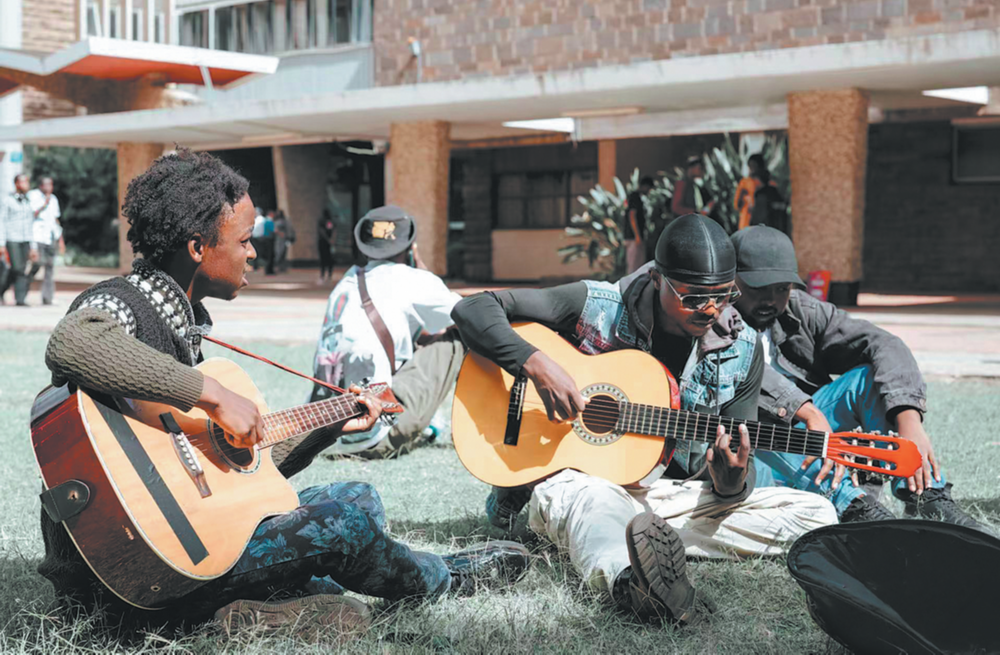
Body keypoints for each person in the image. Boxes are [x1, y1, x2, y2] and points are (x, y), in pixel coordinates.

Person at [37, 150, 529, 634]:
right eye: (245, 240)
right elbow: (73, 340)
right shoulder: (123, 301)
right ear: (197, 248)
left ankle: (250, 610)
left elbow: (245, 473)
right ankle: (445, 575)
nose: (254, 252)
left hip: (174, 554)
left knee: (357, 497)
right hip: (124, 580)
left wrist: (330, 423)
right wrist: (209, 393)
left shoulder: (181, 326)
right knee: (343, 526)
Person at [451, 214, 837, 625]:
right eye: (692, 297)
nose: (709, 309)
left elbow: (733, 469)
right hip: (583, 487)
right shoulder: (596, 305)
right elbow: (473, 307)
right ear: (657, 278)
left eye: (723, 295)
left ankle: (639, 541)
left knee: (815, 514)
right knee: (584, 496)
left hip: (667, 500)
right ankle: (632, 582)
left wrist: (731, 482)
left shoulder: (743, 350)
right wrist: (536, 364)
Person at [730, 226, 985, 529]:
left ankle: (923, 491)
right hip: (756, 451)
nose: (771, 300)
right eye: (759, 288)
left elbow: (884, 344)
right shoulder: (714, 318)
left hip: (815, 436)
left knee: (867, 378)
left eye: (781, 288)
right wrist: (807, 411)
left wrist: (909, 423)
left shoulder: (801, 310)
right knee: (758, 425)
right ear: (731, 281)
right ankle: (857, 507)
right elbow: (746, 371)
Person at [307, 205, 466, 459]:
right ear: (410, 246)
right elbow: (466, 314)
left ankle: (429, 419)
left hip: (325, 435)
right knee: (460, 337)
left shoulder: (346, 282)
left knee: (419, 340)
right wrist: (422, 268)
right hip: (373, 436)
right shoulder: (412, 279)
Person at [0, 173, 39, 306]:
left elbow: (30, 224)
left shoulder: (28, 201)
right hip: (12, 238)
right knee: (16, 268)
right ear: (17, 184)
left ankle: (20, 299)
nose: (27, 185)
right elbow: (2, 221)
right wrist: (1, 243)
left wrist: (33, 246)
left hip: (26, 239)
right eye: (24, 182)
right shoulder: (7, 200)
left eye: (27, 182)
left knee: (23, 269)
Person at [27, 176, 64, 306]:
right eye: (47, 185)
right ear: (41, 186)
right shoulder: (32, 195)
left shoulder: (54, 199)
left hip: (50, 236)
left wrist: (60, 239)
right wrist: (45, 203)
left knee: (49, 268)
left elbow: (55, 220)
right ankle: (24, 285)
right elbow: (31, 214)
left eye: (51, 185)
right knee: (37, 263)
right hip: (37, 236)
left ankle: (47, 297)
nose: (50, 188)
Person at [624, 176, 653, 274]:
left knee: (638, 266)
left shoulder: (639, 198)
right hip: (634, 237)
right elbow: (632, 215)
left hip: (636, 237)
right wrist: (637, 236)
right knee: (634, 266)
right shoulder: (635, 197)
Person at [734, 154, 767, 232]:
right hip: (745, 224)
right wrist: (741, 194)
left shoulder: (766, 183)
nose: (752, 169)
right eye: (750, 166)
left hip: (761, 225)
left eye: (754, 166)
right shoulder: (744, 183)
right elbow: (736, 206)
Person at [317, 209, 337, 283]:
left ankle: (322, 275)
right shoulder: (331, 221)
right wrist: (332, 239)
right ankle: (329, 275)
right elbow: (334, 231)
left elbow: (321, 231)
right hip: (330, 243)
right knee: (330, 259)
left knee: (323, 259)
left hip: (323, 242)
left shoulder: (321, 221)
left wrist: (328, 239)